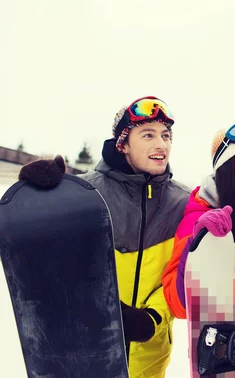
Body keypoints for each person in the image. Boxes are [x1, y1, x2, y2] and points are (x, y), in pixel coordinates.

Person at [19, 96, 190, 378]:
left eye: (166, 135)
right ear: (122, 144)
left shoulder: (182, 203)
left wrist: (152, 318)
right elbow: (43, 253)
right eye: (148, 134)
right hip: (86, 354)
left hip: (149, 359)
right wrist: (37, 193)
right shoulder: (84, 194)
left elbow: (180, 274)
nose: (161, 145)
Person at [162, 121, 235, 378]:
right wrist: (198, 241)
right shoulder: (198, 216)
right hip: (225, 360)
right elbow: (179, 305)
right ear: (225, 165)